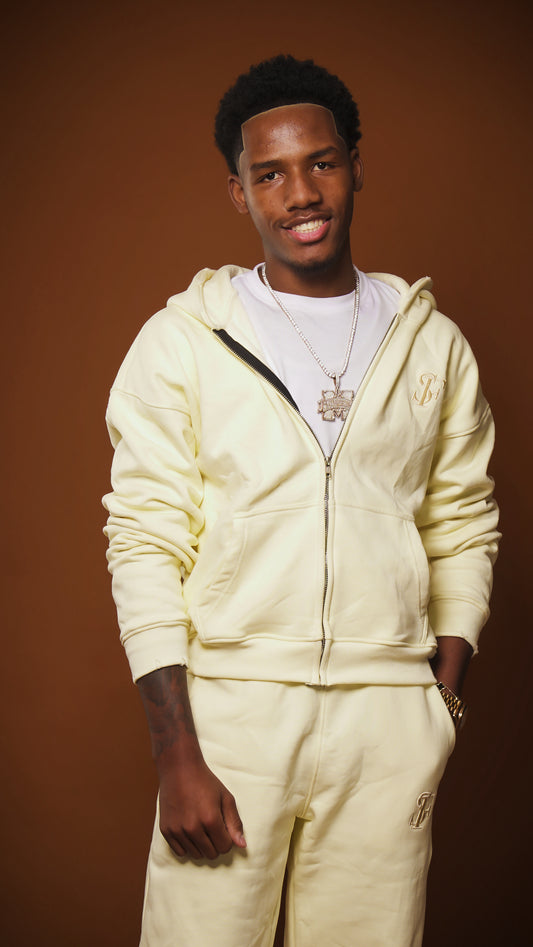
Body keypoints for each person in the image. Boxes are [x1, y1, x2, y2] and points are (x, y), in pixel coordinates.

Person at [103, 54, 499, 947]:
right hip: (232, 717)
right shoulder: (183, 341)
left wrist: (437, 705)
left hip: (385, 723)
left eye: (320, 162)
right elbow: (144, 538)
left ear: (355, 165)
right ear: (239, 193)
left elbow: (461, 522)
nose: (301, 194)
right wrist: (176, 750)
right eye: (269, 174)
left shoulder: (432, 344)